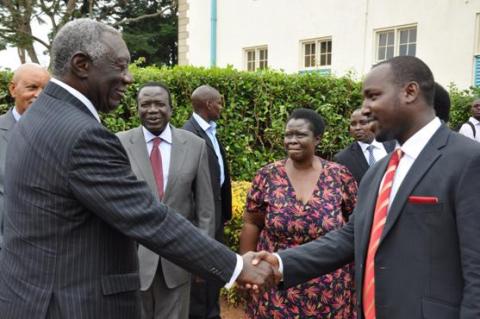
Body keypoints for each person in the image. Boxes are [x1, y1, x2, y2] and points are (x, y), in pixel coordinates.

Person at [0, 18, 275, 319]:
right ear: (81, 64)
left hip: (33, 297)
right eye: (120, 66)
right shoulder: (81, 135)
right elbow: (148, 216)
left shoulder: (37, 116)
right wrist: (237, 266)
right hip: (71, 304)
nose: (129, 78)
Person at [253, 56, 480, 318]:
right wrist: (280, 263)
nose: (365, 109)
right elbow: (351, 236)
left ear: (410, 92)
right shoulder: (379, 171)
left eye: (373, 96)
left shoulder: (468, 161)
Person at [240, 108, 358, 318]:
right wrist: (246, 271)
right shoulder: (267, 176)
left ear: (317, 139)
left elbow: (355, 226)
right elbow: (252, 223)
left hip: (328, 284)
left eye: (300, 135)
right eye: (288, 135)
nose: (292, 140)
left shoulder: (339, 176)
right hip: (275, 281)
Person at [117, 82, 215, 319]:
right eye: (145, 104)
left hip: (179, 261)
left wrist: (202, 257)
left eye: (159, 104)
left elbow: (206, 210)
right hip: (131, 261)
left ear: (171, 109)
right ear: (137, 108)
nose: (152, 110)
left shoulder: (195, 145)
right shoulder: (119, 144)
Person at [183, 85, 232, 319]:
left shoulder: (210, 130)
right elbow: (186, 186)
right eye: (219, 103)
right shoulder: (189, 134)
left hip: (215, 217)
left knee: (213, 276)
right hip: (200, 222)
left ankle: (213, 313)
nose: (221, 107)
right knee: (200, 283)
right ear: (209, 104)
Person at [0, 63, 50, 249]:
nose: (38, 95)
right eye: (32, 88)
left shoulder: (62, 134)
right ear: (13, 89)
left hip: (49, 254)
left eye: (45, 90)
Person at [334, 108, 395, 184]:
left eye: (363, 123)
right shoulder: (343, 158)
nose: (357, 128)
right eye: (353, 124)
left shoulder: (395, 145)